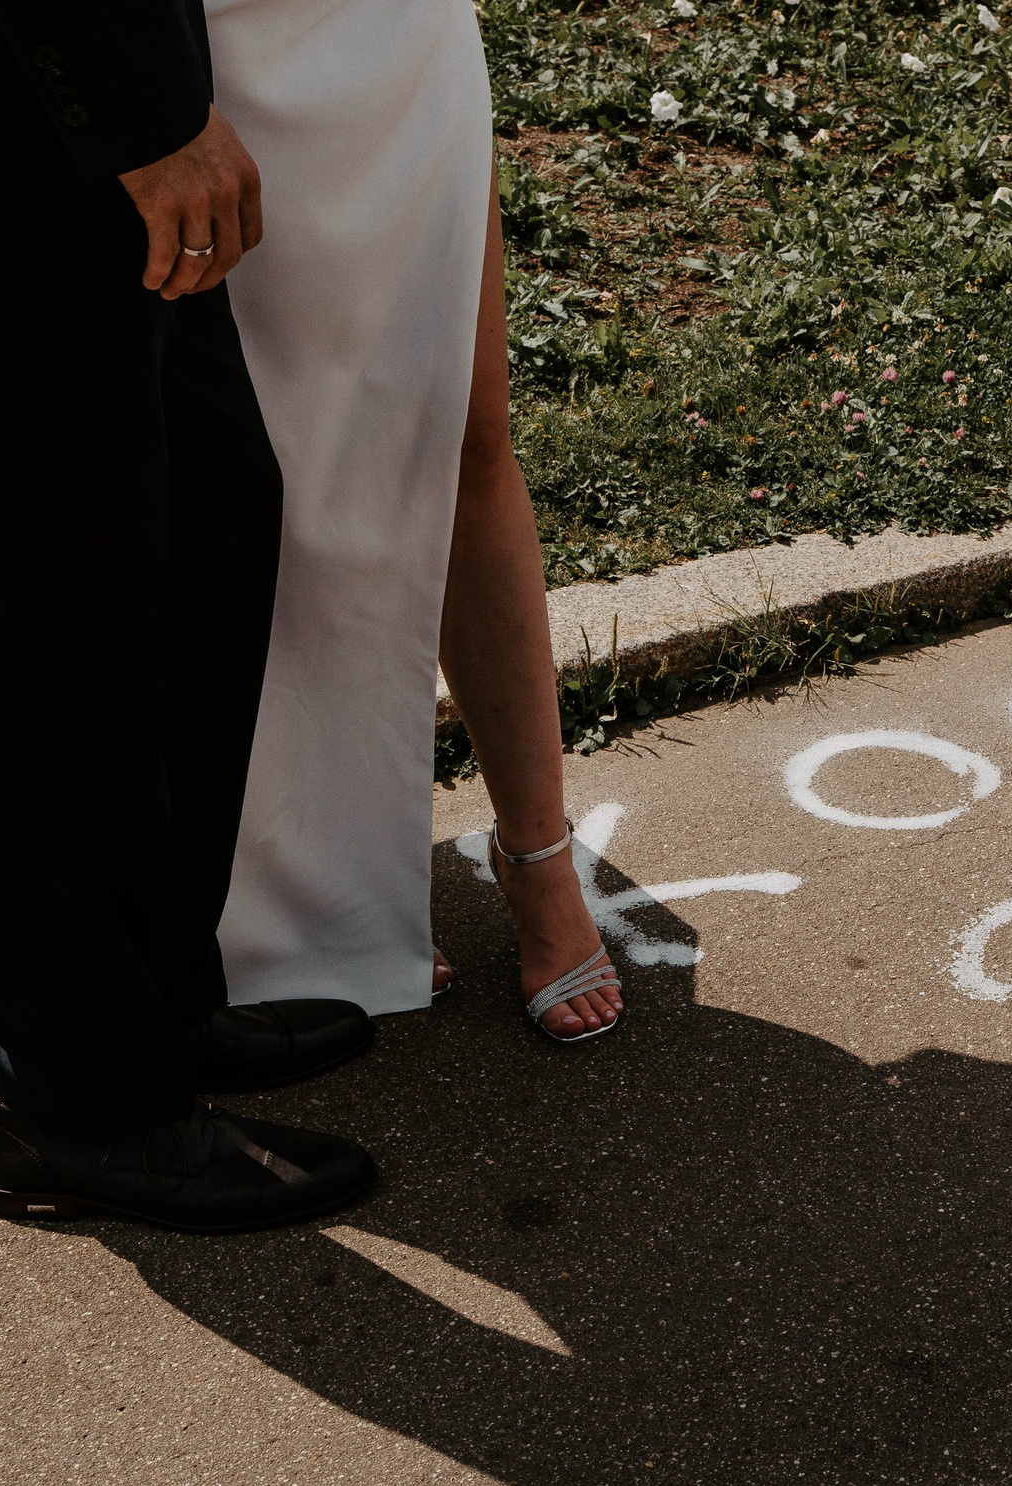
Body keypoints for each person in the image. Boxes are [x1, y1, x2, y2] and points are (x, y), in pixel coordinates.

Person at [0, 2, 377, 1230]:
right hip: (0, 126)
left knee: (200, 533)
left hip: (78, 114)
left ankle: (148, 1009)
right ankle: (74, 1100)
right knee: (52, 614)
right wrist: (144, 123)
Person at [203, 0, 625, 1044]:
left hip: (388, 33)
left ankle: (537, 860)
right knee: (263, 465)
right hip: (213, 49)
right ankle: (306, 893)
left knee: (463, 428)